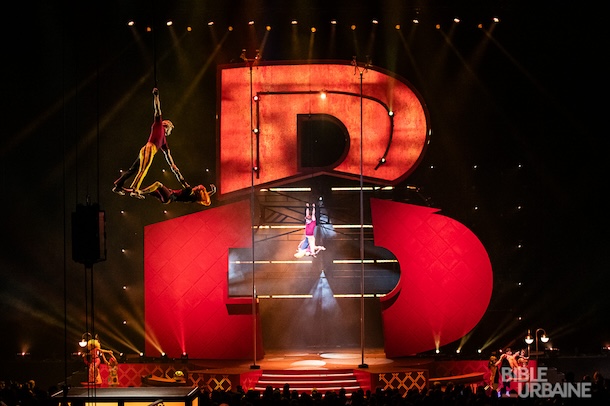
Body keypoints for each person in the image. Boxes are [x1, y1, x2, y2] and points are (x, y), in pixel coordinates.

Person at [113, 87, 189, 199]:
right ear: (167, 126)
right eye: (169, 129)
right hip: (149, 149)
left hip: (147, 150)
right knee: (143, 169)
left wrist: (173, 165)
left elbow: (168, 154)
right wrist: (156, 96)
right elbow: (157, 109)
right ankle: (135, 189)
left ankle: (118, 185)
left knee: (132, 169)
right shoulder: (158, 125)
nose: (169, 132)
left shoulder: (163, 140)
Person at [137, 181, 216, 205]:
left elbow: (181, 179)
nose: (195, 186)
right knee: (151, 190)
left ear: (197, 191)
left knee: (158, 184)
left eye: (197, 187)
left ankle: (139, 192)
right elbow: (204, 197)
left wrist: (176, 170)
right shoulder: (195, 198)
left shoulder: (190, 192)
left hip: (169, 196)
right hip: (168, 199)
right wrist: (212, 192)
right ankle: (135, 191)